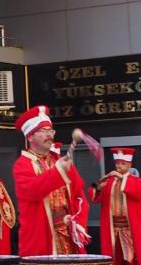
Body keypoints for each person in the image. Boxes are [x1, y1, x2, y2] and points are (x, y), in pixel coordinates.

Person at [11, 106, 87, 257]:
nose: (49, 135)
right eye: (43, 131)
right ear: (30, 137)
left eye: (50, 131)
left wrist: (77, 222)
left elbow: (80, 196)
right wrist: (59, 171)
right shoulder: (22, 165)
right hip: (41, 238)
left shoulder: (59, 161)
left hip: (68, 237)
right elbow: (34, 191)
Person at [92, 148, 141, 265]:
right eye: (117, 163)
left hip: (129, 229)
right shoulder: (110, 181)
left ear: (129, 164)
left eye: (123, 164)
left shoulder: (136, 180)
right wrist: (98, 187)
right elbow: (96, 197)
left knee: (132, 260)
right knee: (114, 261)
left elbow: (137, 192)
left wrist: (122, 179)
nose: (119, 167)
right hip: (112, 228)